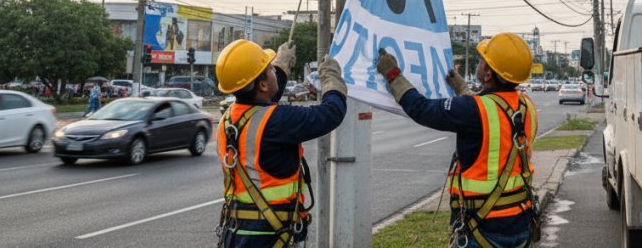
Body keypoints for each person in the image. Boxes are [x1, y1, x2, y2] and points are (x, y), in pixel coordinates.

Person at [376, 33, 539, 248]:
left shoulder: (472, 110)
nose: (478, 63)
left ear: (488, 74)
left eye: (482, 61)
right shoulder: (527, 105)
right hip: (521, 221)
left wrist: (393, 75)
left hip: (483, 227)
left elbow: (422, 109)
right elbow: (495, 110)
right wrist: (462, 89)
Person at [215, 39, 347, 247]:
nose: (273, 70)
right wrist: (331, 79)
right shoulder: (277, 121)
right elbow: (330, 114)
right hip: (270, 235)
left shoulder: (228, 119)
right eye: (269, 69)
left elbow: (262, 102)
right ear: (262, 84)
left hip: (238, 232)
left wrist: (281, 68)